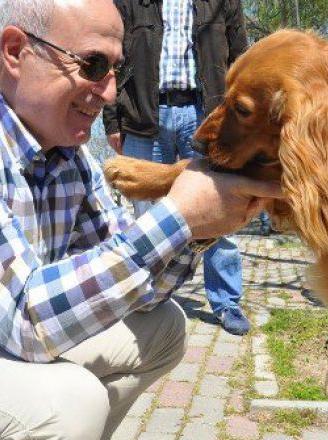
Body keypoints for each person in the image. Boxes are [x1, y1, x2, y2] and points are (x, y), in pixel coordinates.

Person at [0, 1, 281, 439]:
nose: (110, 91)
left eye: (117, 70)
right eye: (94, 65)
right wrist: (177, 216)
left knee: (163, 328)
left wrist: (200, 229)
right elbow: (24, 321)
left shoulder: (68, 159)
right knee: (66, 402)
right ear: (17, 51)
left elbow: (141, 291)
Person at [102, 0, 252, 335]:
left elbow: (242, 58)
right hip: (144, 117)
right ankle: (143, 299)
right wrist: (112, 120)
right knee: (144, 215)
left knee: (222, 205)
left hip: (206, 116)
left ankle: (227, 300)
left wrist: (240, 124)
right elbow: (111, 56)